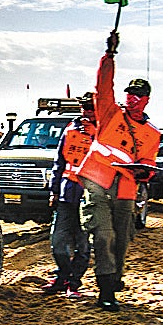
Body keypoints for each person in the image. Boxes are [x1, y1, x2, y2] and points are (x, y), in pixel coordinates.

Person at [76, 30, 161, 311]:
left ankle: (114, 279)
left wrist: (144, 172)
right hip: (98, 182)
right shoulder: (110, 112)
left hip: (126, 189)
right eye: (130, 93)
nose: (132, 99)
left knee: (121, 240)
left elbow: (148, 162)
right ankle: (106, 288)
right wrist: (109, 55)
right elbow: (103, 86)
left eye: (138, 96)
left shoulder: (152, 133)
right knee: (103, 234)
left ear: (147, 99)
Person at [44, 92, 96, 295]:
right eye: (84, 107)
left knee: (82, 244)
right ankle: (63, 276)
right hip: (67, 194)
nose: (87, 111)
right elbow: (59, 162)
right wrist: (53, 191)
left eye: (91, 107)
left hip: (90, 196)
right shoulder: (70, 130)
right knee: (58, 240)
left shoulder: (104, 132)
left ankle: (73, 283)